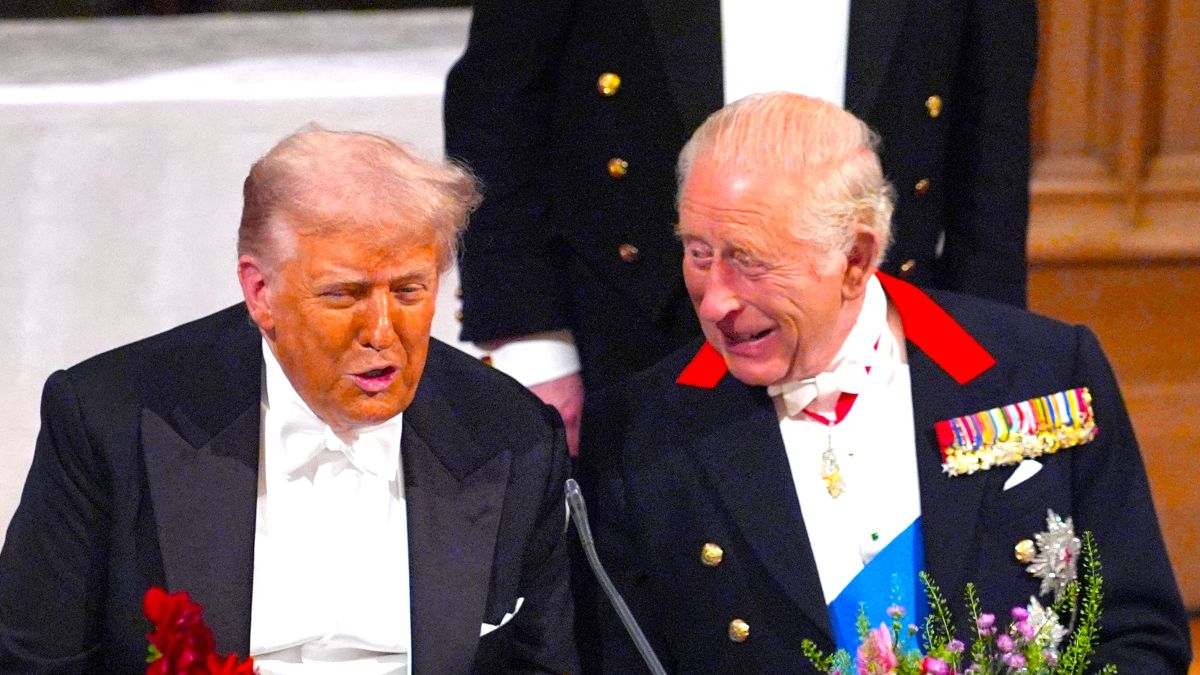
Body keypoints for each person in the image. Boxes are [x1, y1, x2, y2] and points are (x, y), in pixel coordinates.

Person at [572, 93, 1190, 673]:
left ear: (857, 258)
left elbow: (1139, 636)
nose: (716, 302)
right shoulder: (639, 433)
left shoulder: (1044, 371)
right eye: (699, 254)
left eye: (749, 259)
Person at [0, 128, 579, 674]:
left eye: (409, 290)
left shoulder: (511, 434)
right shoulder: (109, 417)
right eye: (343, 294)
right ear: (261, 293)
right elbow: (38, 661)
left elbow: (542, 663)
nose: (382, 330)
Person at [443, 0, 1038, 452]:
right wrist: (535, 348)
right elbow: (499, 102)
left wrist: (977, 353)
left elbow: (993, 141)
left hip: (881, 326)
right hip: (632, 335)